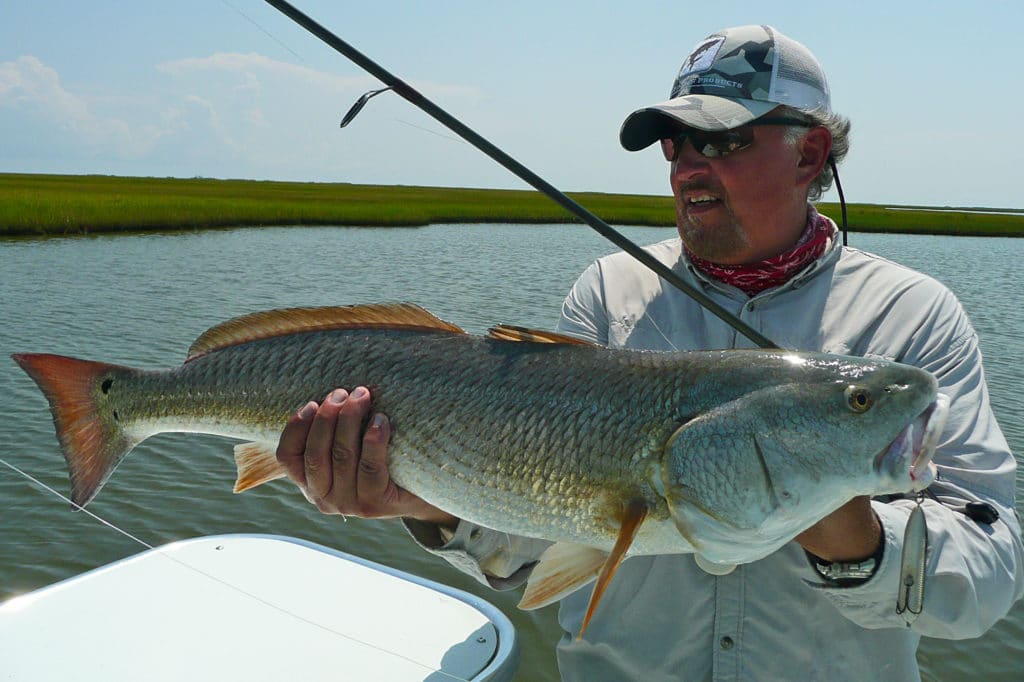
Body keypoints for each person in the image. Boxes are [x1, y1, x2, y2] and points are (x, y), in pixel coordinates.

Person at [275, 25, 1023, 681]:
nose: (689, 166)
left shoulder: (912, 320)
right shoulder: (610, 294)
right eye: (677, 143)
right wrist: (425, 502)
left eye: (724, 140)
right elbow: (534, 538)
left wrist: (843, 524)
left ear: (810, 154)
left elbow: (987, 579)